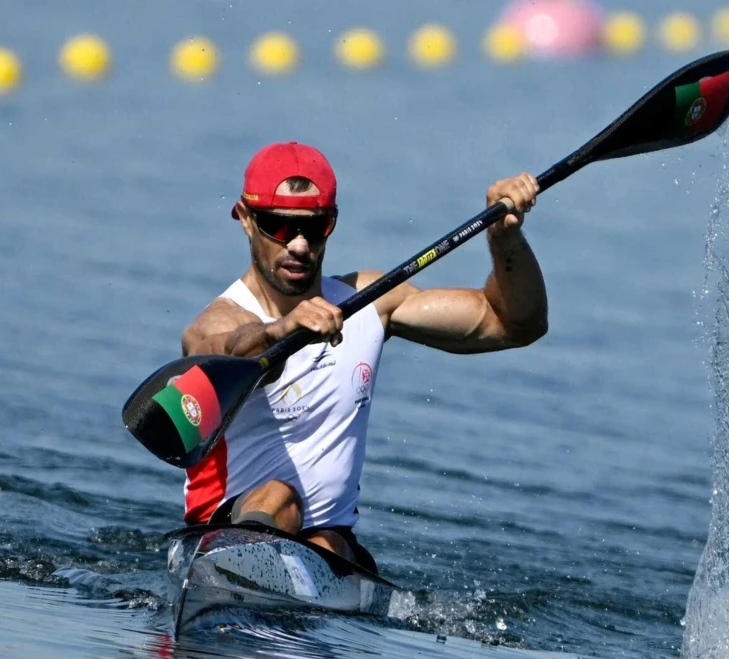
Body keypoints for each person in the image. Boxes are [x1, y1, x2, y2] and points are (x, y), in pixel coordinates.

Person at [179, 141, 547, 571]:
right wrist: (281, 331)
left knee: (327, 541)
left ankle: (287, 583)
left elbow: (514, 324)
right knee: (280, 496)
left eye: (315, 227)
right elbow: (228, 349)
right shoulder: (218, 320)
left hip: (326, 546)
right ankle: (239, 570)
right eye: (278, 226)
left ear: (332, 223)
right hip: (223, 531)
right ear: (244, 218)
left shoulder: (368, 302)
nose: (298, 245)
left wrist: (505, 236)